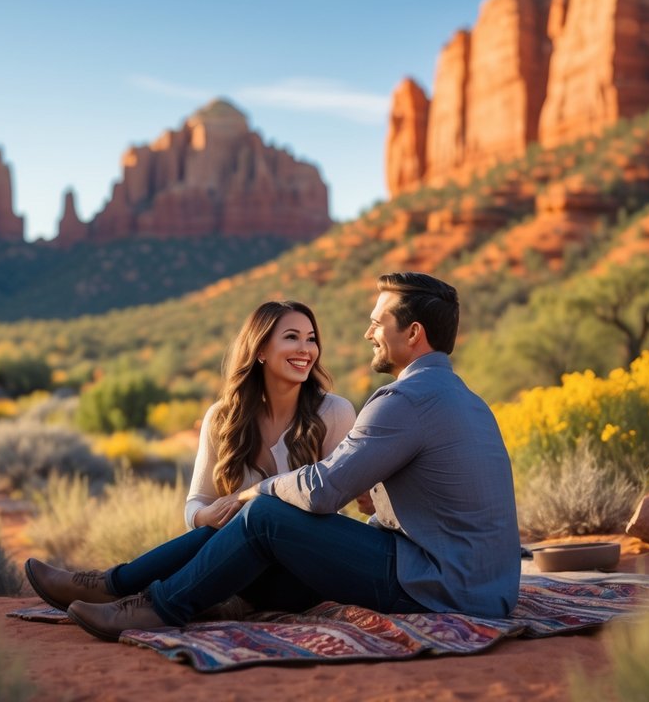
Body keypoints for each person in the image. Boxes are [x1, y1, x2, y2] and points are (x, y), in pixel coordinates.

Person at [63, 271, 522, 641]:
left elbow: (322, 492)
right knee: (257, 529)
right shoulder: (466, 399)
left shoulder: (401, 400)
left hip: (438, 585)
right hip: (485, 588)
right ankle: (117, 586)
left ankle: (155, 606)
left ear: (414, 332)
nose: (369, 333)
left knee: (264, 515)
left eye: (378, 323)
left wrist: (254, 491)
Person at [25, 299, 356, 611]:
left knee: (252, 518)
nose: (305, 349)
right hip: (244, 572)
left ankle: (111, 586)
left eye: (311, 339)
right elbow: (196, 503)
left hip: (308, 576)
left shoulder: (333, 412)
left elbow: (328, 504)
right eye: (292, 337)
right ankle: (121, 593)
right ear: (260, 351)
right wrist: (207, 516)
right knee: (222, 529)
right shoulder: (223, 418)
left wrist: (249, 503)